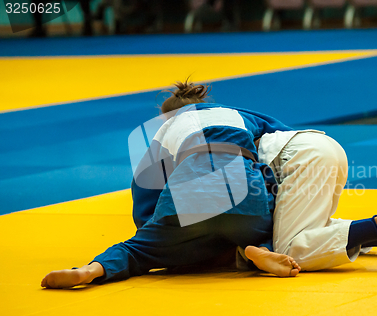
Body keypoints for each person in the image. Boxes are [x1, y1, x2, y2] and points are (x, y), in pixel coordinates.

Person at [41, 81, 302, 289]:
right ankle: (259, 249)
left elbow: (144, 188)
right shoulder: (236, 113)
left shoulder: (166, 130)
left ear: (167, 117)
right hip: (245, 196)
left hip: (185, 201)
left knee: (134, 251)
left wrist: (153, 234)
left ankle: (91, 271)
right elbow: (287, 138)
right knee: (277, 230)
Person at [253, 129, 377, 271]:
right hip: (318, 143)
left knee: (287, 251)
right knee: (305, 227)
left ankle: (376, 228)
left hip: (298, 158)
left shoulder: (228, 140)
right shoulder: (234, 123)